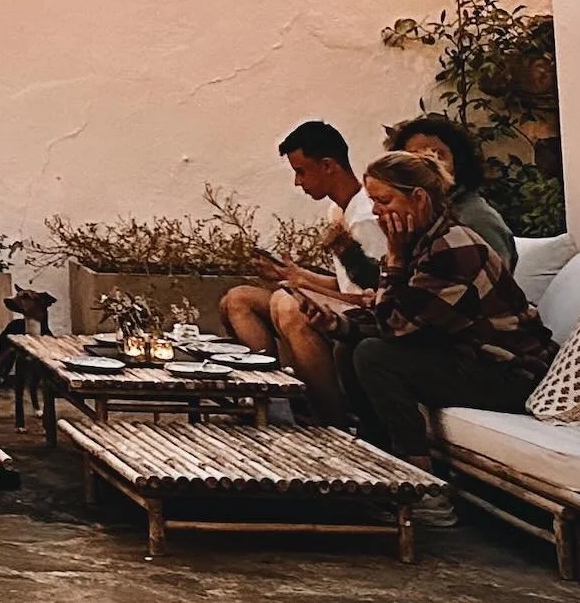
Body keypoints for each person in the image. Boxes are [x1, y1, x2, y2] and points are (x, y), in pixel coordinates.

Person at [321, 150, 555, 515]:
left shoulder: (453, 247)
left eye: (385, 201)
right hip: (462, 355)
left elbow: (396, 327)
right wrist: (338, 326)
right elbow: (399, 317)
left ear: (419, 199)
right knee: (351, 346)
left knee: (373, 355)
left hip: (509, 373)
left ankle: (423, 486)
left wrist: (394, 261)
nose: (378, 213)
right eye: (374, 202)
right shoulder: (422, 241)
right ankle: (379, 461)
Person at [218, 120, 388, 418]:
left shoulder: (365, 218)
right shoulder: (338, 210)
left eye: (301, 171)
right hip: (347, 304)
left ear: (328, 165)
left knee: (289, 305)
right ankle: (270, 401)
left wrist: (303, 288)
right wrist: (295, 276)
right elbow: (346, 284)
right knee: (238, 299)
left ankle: (329, 417)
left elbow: (371, 298)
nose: (298, 182)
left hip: (366, 319)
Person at [381, 112, 516, 267]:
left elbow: (496, 285)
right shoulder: (427, 217)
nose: (428, 164)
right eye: (415, 158)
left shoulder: (476, 219)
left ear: (458, 163)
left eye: (438, 155)